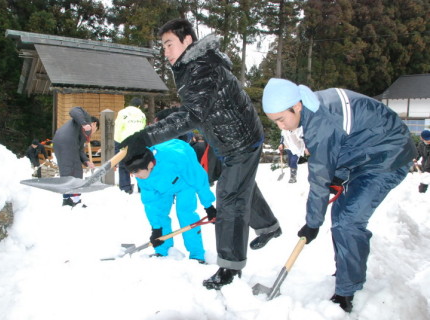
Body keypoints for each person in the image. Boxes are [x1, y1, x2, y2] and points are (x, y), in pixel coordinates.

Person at [120, 18, 281, 289]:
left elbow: (192, 115)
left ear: (187, 41)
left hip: (240, 140)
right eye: (163, 46)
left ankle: (230, 269)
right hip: (226, 138)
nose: (166, 51)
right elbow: (196, 109)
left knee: (230, 198)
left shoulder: (201, 68)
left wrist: (147, 135)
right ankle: (269, 227)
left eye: (169, 44)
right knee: (241, 187)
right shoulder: (192, 66)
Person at [262, 78, 417, 312]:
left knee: (347, 220)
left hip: (388, 157)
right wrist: (339, 175)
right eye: (275, 122)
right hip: (369, 152)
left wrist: (312, 223)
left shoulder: (319, 123)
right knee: (342, 214)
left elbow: (319, 178)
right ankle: (347, 268)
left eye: (282, 119)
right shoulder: (314, 104)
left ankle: (346, 290)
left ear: (297, 106)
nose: (281, 127)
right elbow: (349, 137)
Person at [124, 139, 216, 263]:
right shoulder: (142, 175)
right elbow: (150, 202)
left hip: (184, 181)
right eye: (133, 173)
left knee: (185, 213)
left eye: (138, 172)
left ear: (150, 164)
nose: (137, 176)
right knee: (160, 215)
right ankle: (163, 250)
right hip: (161, 186)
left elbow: (199, 179)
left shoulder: (177, 159)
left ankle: (197, 254)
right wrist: (156, 228)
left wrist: (208, 206)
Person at [52, 106, 99, 207]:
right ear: (94, 124)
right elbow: (74, 110)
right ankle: (75, 200)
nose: (94, 132)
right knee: (76, 170)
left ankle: (67, 199)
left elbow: (80, 150)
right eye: (96, 129)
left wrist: (86, 161)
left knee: (66, 170)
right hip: (67, 141)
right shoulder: (86, 118)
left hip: (59, 142)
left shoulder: (82, 134)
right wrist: (85, 123)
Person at [114, 97, 147, 194]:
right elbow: (143, 128)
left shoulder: (122, 113)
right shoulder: (142, 115)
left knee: (124, 165)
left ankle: (125, 188)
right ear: (139, 106)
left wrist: (118, 143)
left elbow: (118, 127)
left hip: (125, 141)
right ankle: (142, 188)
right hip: (138, 142)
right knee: (139, 164)